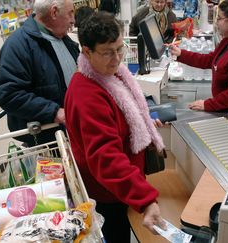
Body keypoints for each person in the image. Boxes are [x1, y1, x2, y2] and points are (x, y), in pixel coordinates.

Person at [64, 12, 166, 242]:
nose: (117, 58)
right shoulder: (86, 94)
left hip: (122, 187)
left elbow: (121, 117)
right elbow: (105, 156)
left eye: (120, 49)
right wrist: (145, 199)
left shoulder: (111, 75)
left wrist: (142, 122)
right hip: (108, 194)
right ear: (87, 52)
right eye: (108, 52)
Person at [0, 0, 79, 146]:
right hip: (46, 139)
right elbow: (9, 95)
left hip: (72, 131)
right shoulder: (17, 45)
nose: (73, 20)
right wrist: (54, 112)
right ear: (54, 12)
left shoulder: (63, 39)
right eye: (70, 13)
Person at [170, 0, 228, 112]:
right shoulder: (227, 41)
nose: (216, 23)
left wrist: (208, 104)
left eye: (219, 19)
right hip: (227, 109)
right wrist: (181, 54)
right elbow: (209, 60)